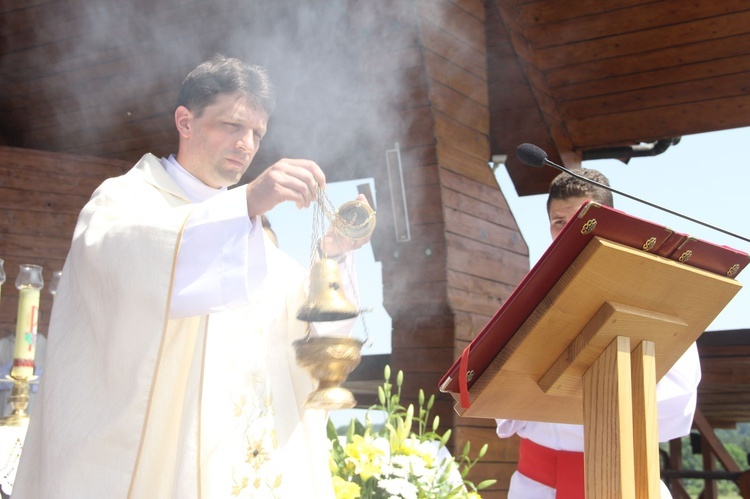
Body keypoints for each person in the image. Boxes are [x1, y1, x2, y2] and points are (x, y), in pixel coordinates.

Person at [13, 55, 370, 499]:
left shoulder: (260, 241)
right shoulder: (124, 202)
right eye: (232, 125)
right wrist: (246, 202)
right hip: (171, 465)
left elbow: (319, 334)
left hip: (251, 471)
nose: (247, 144)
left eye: (257, 133)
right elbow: (125, 265)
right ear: (185, 120)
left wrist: (332, 259)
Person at [496, 168, 701, 498]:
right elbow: (501, 386)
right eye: (558, 222)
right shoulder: (529, 295)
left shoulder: (655, 290)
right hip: (536, 485)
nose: (567, 232)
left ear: (612, 218)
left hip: (626, 481)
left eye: (581, 219)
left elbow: (679, 394)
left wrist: (589, 394)